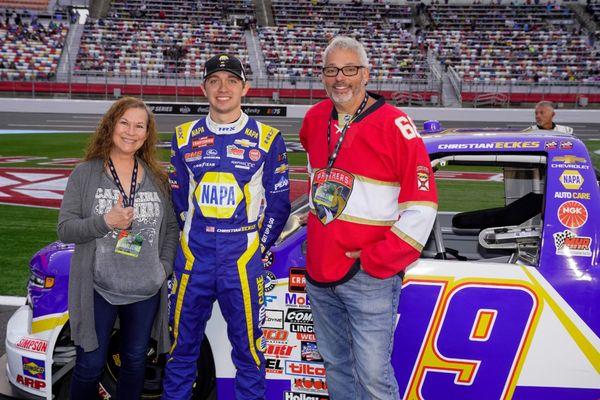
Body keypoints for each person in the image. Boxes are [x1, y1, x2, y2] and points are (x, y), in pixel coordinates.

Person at [299, 36, 438, 399]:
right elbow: (318, 178)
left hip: (368, 277)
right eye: (331, 70)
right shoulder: (314, 118)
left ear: (366, 73)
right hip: (320, 272)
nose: (339, 79)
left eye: (349, 70)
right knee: (336, 368)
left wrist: (376, 260)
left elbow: (422, 208)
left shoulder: (396, 124)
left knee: (374, 379)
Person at [162, 54, 291, 399]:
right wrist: (192, 240)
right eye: (215, 80)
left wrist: (256, 248)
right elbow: (177, 200)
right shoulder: (182, 136)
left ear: (245, 87)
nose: (223, 88)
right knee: (181, 347)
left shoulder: (267, 137)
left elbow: (279, 205)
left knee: (248, 352)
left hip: (241, 257)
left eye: (231, 80)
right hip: (194, 258)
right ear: (203, 88)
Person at [57, 97, 179, 398]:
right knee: (90, 364)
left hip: (145, 290)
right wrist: (105, 221)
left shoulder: (156, 178)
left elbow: (172, 229)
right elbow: (65, 228)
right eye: (124, 122)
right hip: (99, 288)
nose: (131, 131)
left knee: (135, 361)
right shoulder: (85, 174)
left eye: (140, 125)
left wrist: (161, 268)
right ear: (111, 125)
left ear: (147, 134)